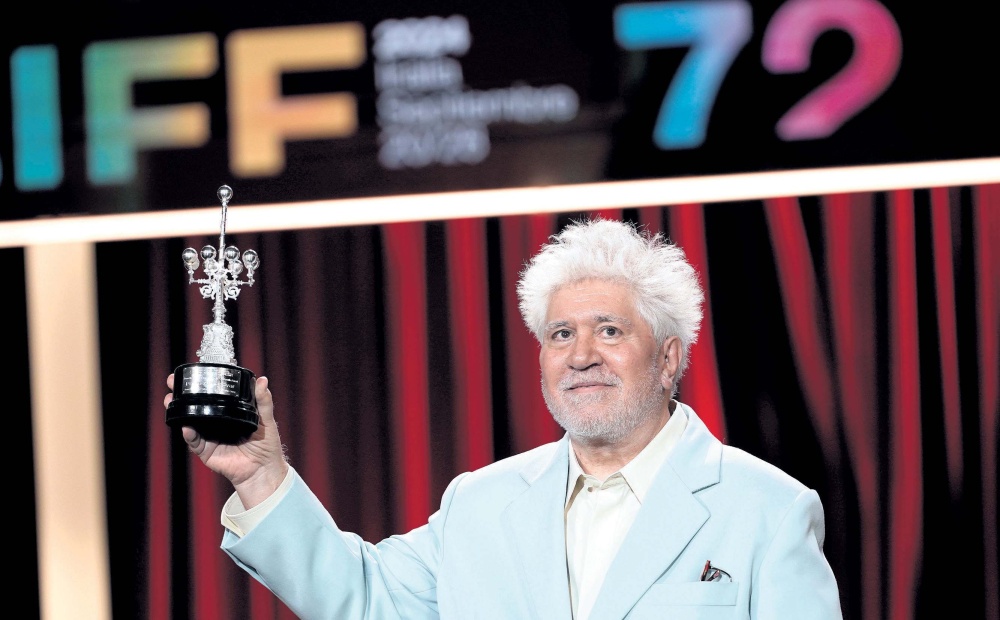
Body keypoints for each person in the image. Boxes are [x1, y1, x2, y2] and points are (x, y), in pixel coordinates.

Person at [166, 218, 843, 619]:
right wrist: (260, 476)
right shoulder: (480, 503)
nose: (580, 355)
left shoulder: (769, 510)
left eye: (609, 331)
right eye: (560, 334)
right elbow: (364, 597)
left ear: (669, 357)